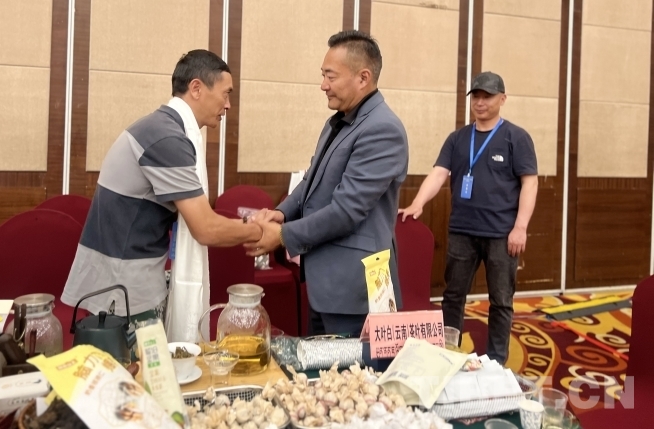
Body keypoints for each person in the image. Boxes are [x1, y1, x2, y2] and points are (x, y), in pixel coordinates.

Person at [61, 49, 262, 325]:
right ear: (196, 88)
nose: (228, 105)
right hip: (123, 291)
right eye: (226, 94)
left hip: (126, 280)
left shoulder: (160, 126)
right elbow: (205, 228)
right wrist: (259, 230)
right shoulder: (166, 138)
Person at [244, 30, 409, 337]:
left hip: (355, 288)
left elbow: (346, 211)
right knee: (321, 365)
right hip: (326, 282)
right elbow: (312, 180)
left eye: (330, 76)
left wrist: (283, 235)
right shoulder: (339, 121)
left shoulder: (383, 129)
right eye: (323, 75)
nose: (323, 85)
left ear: (363, 78)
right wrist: (282, 212)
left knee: (352, 367)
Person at [400, 71, 538, 364]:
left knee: (501, 301)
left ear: (502, 99)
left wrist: (521, 227)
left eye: (487, 96)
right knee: (453, 296)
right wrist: (417, 203)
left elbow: (530, 182)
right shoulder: (458, 139)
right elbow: (439, 173)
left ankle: (496, 361)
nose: (480, 102)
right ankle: (448, 355)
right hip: (462, 230)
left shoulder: (516, 138)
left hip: (502, 234)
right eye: (476, 96)